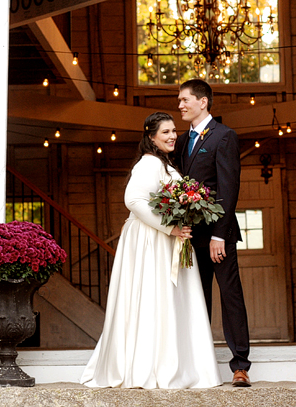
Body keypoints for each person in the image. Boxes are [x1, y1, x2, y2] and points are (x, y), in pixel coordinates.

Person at [81, 111, 222, 389]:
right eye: (166, 132)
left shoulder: (164, 163)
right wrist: (169, 229)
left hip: (168, 239)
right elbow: (133, 200)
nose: (172, 136)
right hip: (150, 241)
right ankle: (150, 365)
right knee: (152, 299)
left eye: (174, 131)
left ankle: (176, 365)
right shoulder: (148, 164)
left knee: (169, 300)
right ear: (151, 136)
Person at [175, 79, 252, 387]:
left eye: (184, 99)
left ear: (203, 102)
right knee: (197, 296)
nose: (180, 105)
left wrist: (219, 235)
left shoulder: (224, 136)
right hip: (190, 234)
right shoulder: (181, 141)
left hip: (218, 234)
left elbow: (228, 188)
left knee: (230, 295)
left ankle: (241, 365)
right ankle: (200, 364)